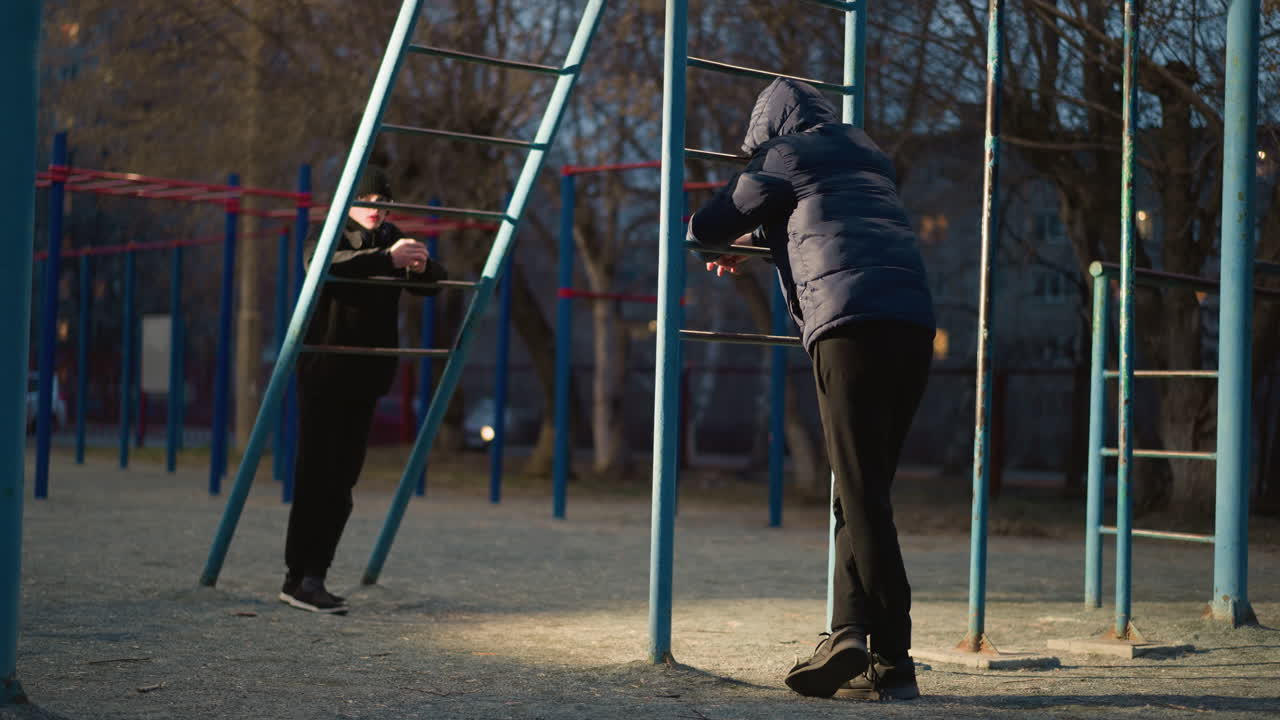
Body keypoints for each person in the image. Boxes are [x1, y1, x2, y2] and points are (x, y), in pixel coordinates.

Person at [687, 78, 935, 700]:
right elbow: (819, 222)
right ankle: (849, 631)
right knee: (861, 485)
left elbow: (709, 223)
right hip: (913, 321)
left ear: (770, 129)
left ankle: (895, 656)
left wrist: (720, 240)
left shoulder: (782, 157)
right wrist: (759, 243)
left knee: (861, 492)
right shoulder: (871, 158)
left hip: (849, 327)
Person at [279, 166, 447, 614]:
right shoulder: (330, 232)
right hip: (325, 368)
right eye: (366, 199)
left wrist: (421, 264)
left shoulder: (392, 237)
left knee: (343, 481)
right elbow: (322, 266)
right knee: (317, 475)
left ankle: (315, 576)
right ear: (349, 201)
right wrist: (387, 260)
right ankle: (298, 576)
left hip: (367, 374)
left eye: (383, 200)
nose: (376, 208)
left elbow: (432, 285)